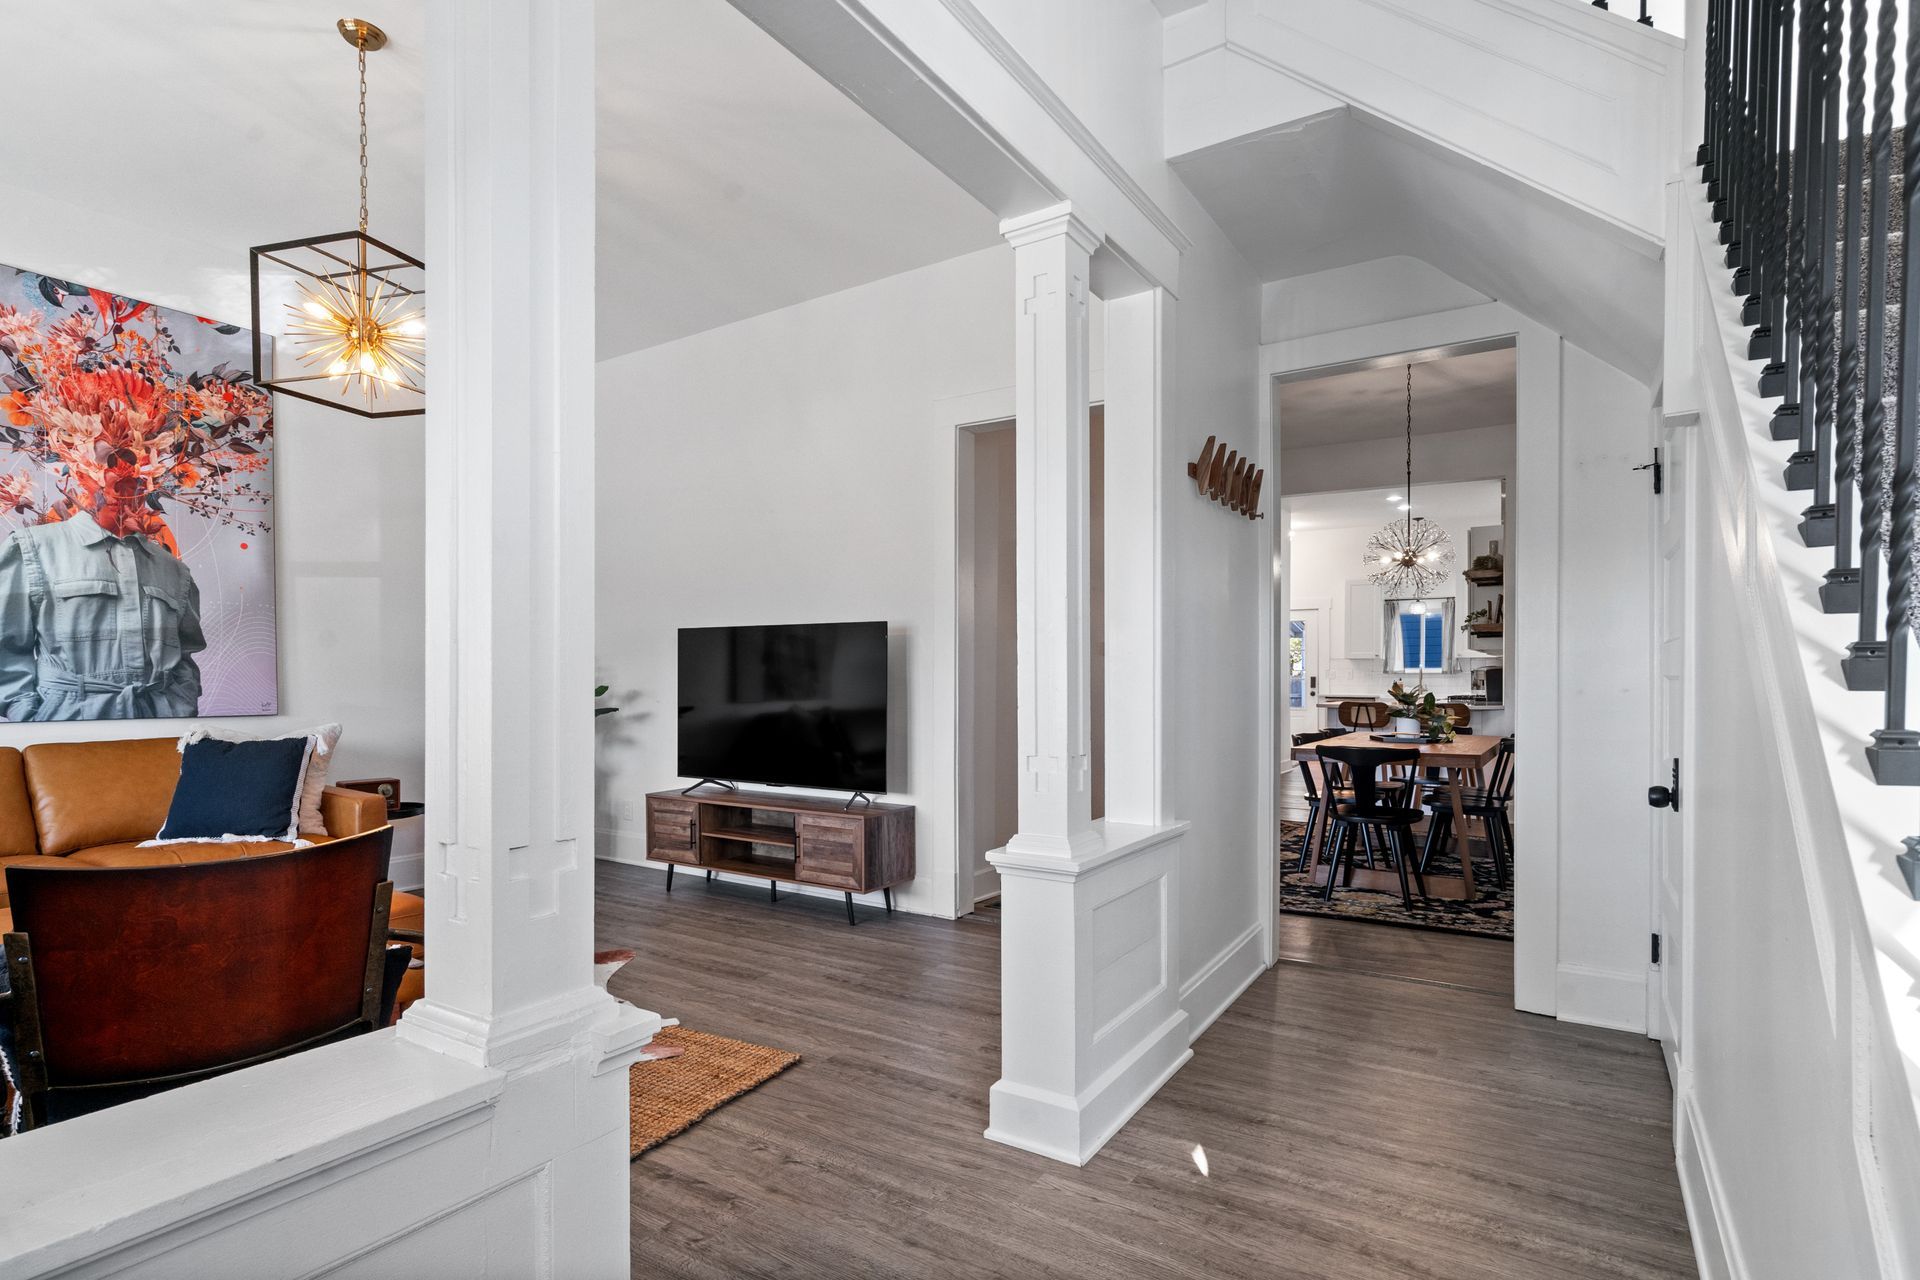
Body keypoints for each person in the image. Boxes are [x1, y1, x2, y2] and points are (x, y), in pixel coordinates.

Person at [0, 510, 205, 720]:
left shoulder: (173, 568)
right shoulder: (33, 546)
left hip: (160, 722)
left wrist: (182, 706)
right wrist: (25, 715)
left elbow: (185, 654)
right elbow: (6, 645)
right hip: (65, 721)